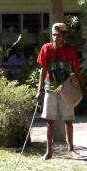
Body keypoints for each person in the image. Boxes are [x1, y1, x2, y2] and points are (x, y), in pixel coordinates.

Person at [35, 23, 83, 160]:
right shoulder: (46, 48)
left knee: (68, 120)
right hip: (51, 87)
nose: (56, 37)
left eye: (59, 34)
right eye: (54, 34)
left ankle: (71, 149)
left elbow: (76, 69)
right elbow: (43, 70)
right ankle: (49, 152)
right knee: (50, 121)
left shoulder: (70, 49)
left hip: (66, 88)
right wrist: (40, 90)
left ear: (64, 35)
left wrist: (81, 86)